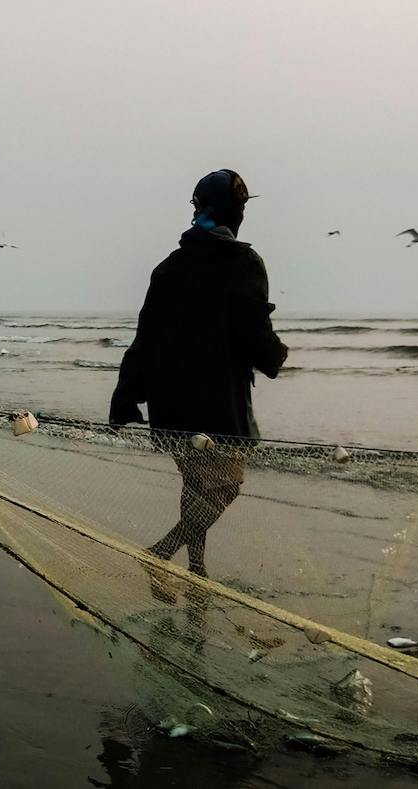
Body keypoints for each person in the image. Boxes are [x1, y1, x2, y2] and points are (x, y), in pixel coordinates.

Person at [109, 169, 288, 581]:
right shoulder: (244, 263)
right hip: (219, 407)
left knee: (196, 486)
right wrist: (275, 357)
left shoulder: (169, 268)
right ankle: (160, 552)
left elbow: (145, 337)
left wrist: (126, 395)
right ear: (236, 213)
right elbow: (254, 335)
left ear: (198, 210)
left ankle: (196, 570)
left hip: (170, 404)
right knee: (224, 486)